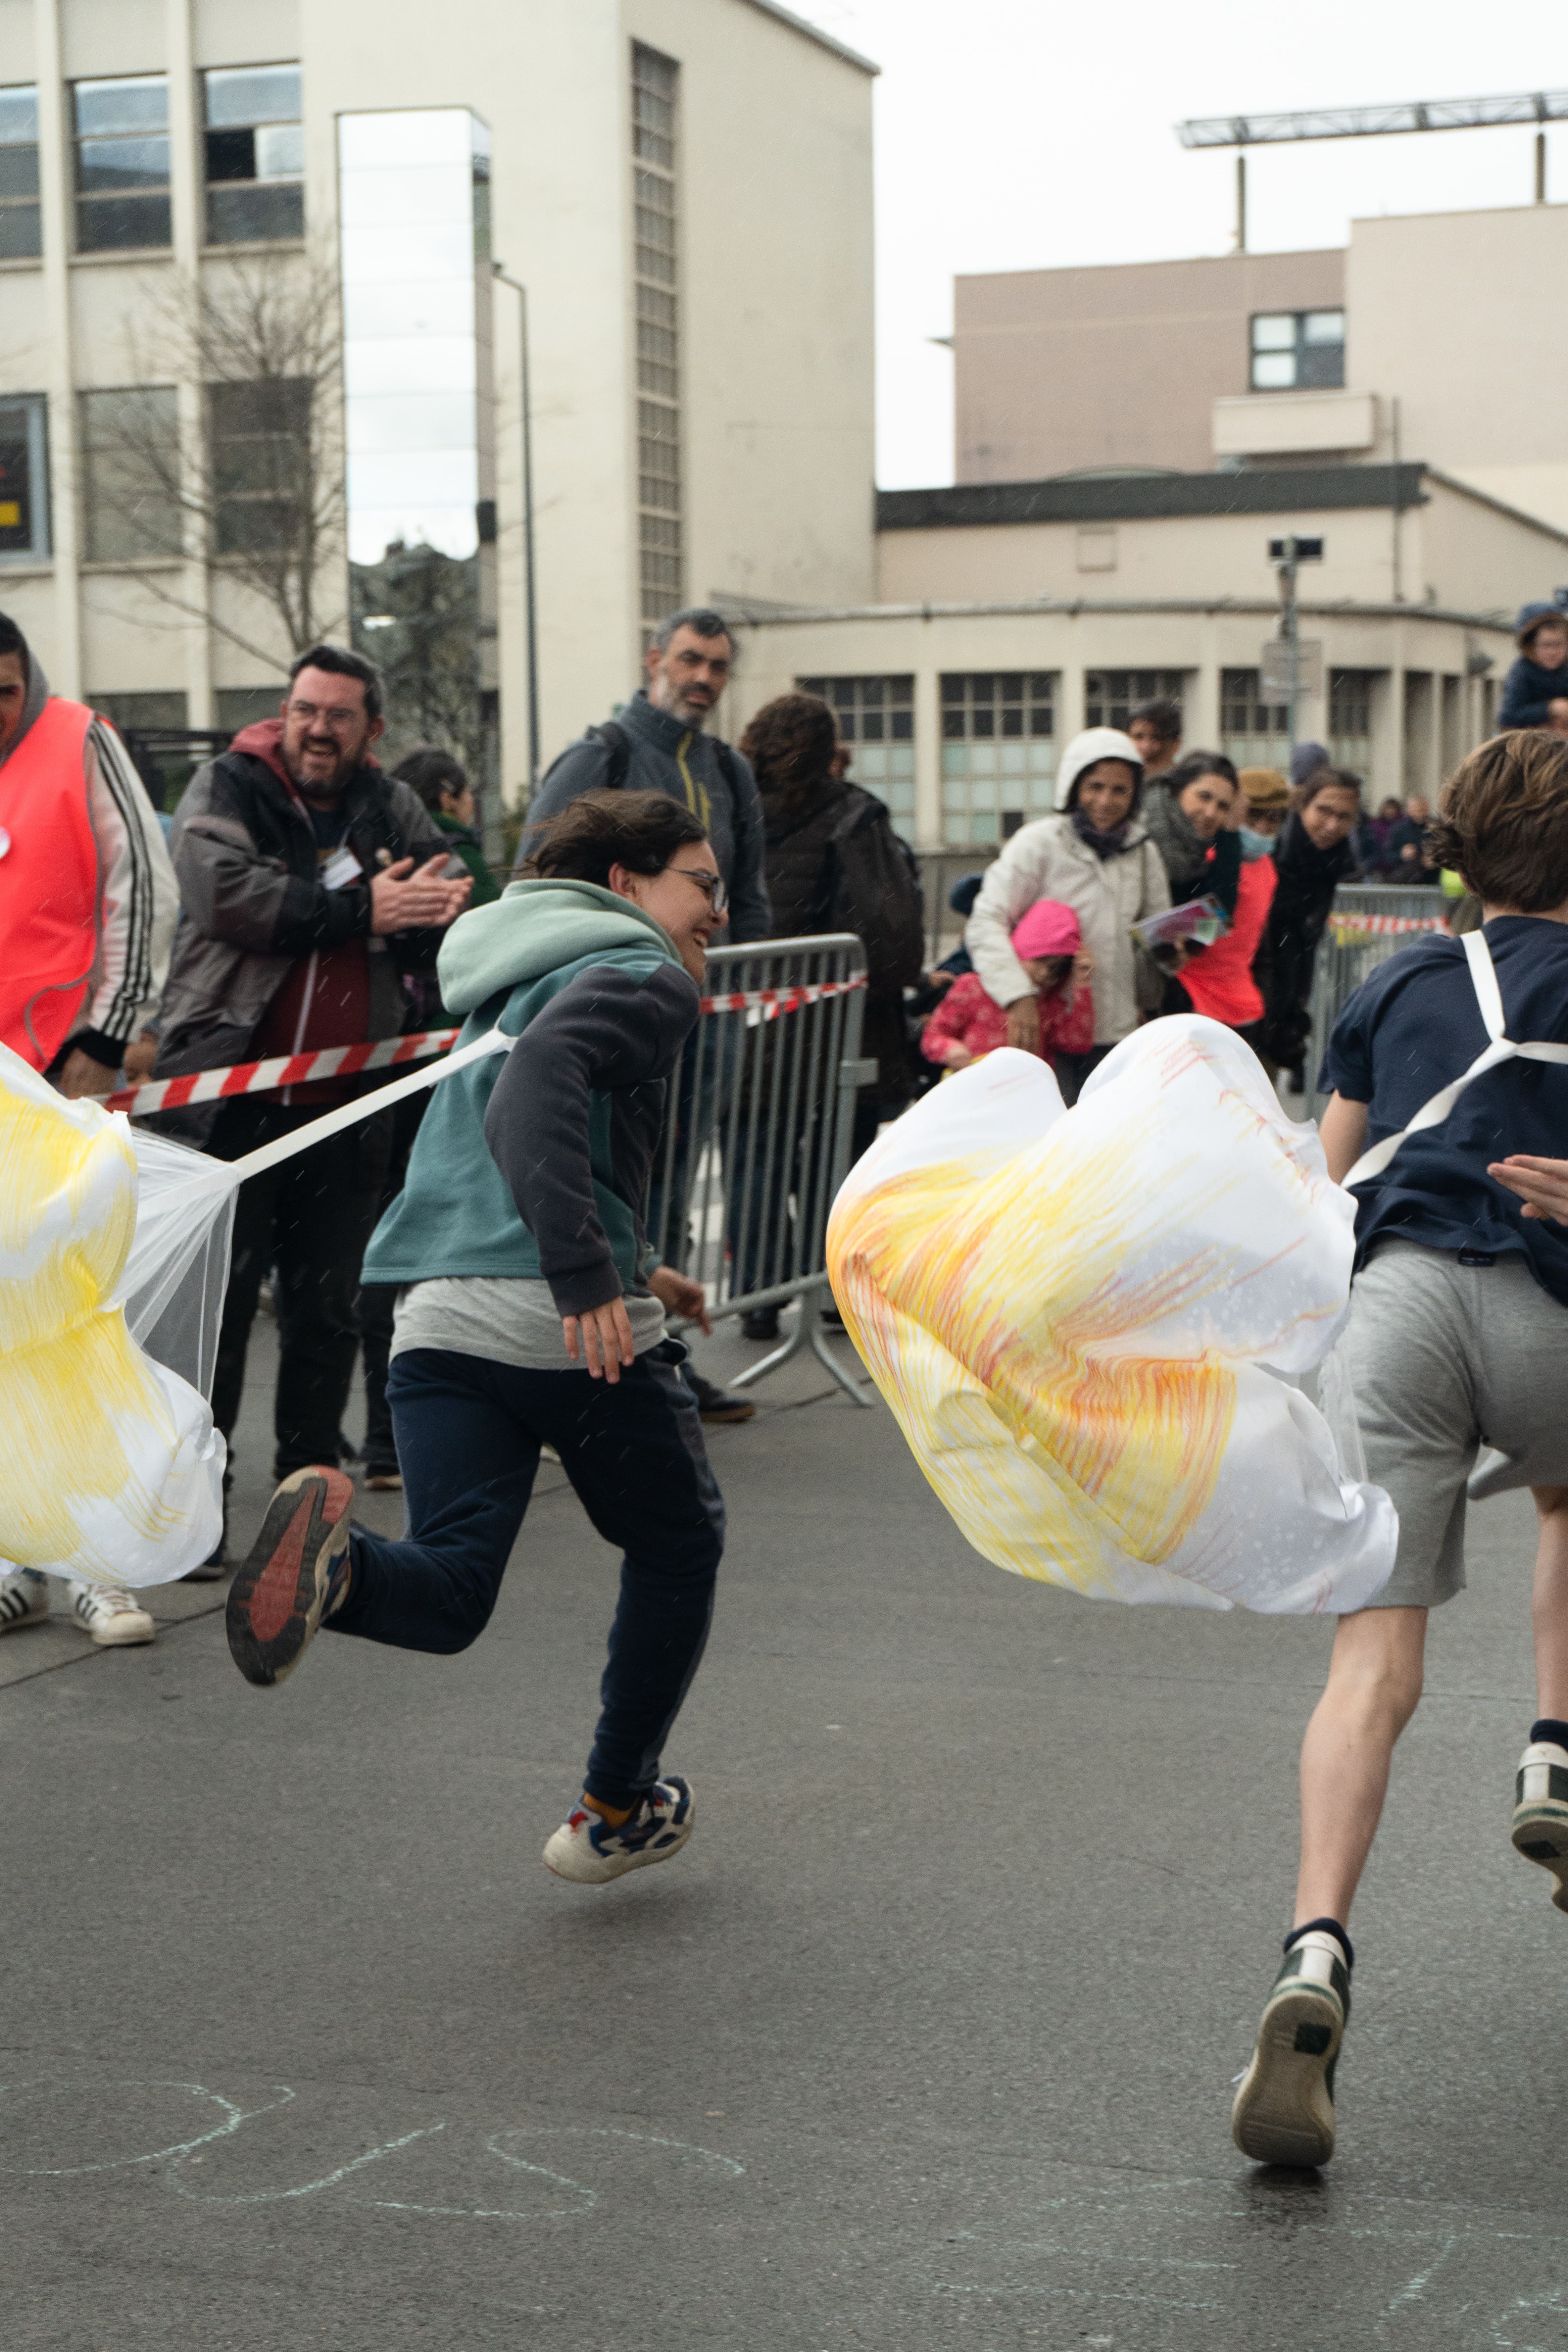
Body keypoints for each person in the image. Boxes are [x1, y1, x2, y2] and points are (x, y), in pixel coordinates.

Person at [224, 790, 726, 1887]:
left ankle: (337, 1568)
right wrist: (585, 1271)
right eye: (704, 880)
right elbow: (535, 1097)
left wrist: (635, 1260)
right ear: (627, 887)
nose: (719, 910)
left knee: (450, 1589)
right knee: (679, 1543)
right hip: (556, 1316)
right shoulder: (644, 973)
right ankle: (615, 1806)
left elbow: (534, 1118)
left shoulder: (509, 974)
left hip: (434, 1314)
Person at [1231, 729, 1568, 2168]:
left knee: (1369, 1662)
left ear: (1452, 857)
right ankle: (1553, 1752)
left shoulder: (1398, 980)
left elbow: (1327, 1185)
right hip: (1554, 1299)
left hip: (1400, 1307)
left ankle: (1314, 1947)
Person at [151, 644, 471, 1558]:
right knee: (213, 1316)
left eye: (337, 715)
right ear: (283, 713)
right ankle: (195, 1518)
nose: (316, 728)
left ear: (372, 731)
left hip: (345, 1105)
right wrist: (366, 911)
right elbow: (225, 896)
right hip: (228, 1101)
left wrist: (416, 914)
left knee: (326, 1311)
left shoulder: (389, 802)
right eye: (304, 709)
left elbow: (449, 891)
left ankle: (305, 1506)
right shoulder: (232, 784)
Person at [521, 607, 769, 1425]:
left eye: (718, 667)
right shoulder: (605, 753)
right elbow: (540, 866)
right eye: (690, 660)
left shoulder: (729, 770)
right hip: (614, 1009)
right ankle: (590, 1361)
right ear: (653, 658)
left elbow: (751, 897)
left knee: (664, 1189)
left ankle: (655, 1350)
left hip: (705, 1017)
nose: (702, 678)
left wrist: (742, 994)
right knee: (609, 1181)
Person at [0, 609, 180, 1650]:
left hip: (64, 1081)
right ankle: (21, 1544)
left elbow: (140, 886)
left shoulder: (81, 737)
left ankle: (102, 1563)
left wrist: (109, 1032)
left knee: (87, 1316)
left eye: (5, 687)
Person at [733, 691, 925, 1340]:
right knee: (843, 1156)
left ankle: (758, 1292)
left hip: (754, 1016)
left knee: (759, 1150)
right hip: (843, 1018)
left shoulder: (731, 815)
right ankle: (834, 1292)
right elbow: (889, 929)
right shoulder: (853, 815)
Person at [965, 727, 1170, 1104]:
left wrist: (1177, 950)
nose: (1105, 800)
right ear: (1073, 785)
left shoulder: (1143, 852)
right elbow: (985, 922)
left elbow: (1156, 939)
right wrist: (1017, 996)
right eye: (1095, 786)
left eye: (1120, 790)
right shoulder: (1038, 843)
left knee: (1108, 1149)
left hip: (1117, 1034)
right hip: (1048, 1031)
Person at [1252, 766, 1363, 1086]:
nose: (1331, 825)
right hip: (1245, 1005)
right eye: (1324, 811)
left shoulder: (1332, 862)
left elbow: (1303, 945)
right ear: (1302, 804)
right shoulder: (1268, 850)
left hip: (1282, 1005)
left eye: (1344, 817)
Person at [921, 898, 1093, 1073]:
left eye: (1058, 968)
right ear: (1019, 951)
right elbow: (933, 1035)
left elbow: (1078, 1043)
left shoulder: (1050, 1003)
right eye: (1040, 960)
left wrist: (1082, 984)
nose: (1045, 973)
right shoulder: (973, 988)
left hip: (1026, 1093)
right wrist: (951, 1051)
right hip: (976, 1089)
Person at [1160, 779, 1278, 1034]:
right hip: (1194, 997)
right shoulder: (1210, 860)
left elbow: (1258, 942)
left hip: (1243, 1005)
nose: (1261, 829)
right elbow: (1196, 933)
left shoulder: (1268, 868)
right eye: (1252, 819)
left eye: (1272, 821)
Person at [393, 744, 499, 909]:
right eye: (468, 792)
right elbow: (493, 911)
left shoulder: (394, 844)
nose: (472, 800)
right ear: (448, 799)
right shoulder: (461, 851)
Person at [1498, 602, 1568, 733]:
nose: (1552, 652)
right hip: (1532, 743)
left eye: (1558, 644)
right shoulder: (1522, 672)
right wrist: (1549, 709)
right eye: (1545, 645)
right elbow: (1508, 717)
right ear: (1531, 646)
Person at [1386, 792, 1439, 884]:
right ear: (1409, 810)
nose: (1419, 813)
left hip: (1433, 879)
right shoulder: (1399, 829)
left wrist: (1436, 861)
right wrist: (1402, 855)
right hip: (1407, 880)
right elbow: (1387, 855)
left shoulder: (1438, 828)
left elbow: (1448, 853)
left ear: (1427, 808)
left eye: (1422, 809)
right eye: (1416, 809)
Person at [1127, 695, 1183, 782]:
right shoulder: (1120, 787)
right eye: (1139, 737)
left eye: (1157, 738)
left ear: (1176, 744)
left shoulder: (1187, 788)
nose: (1146, 747)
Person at [1354, 794, 1407, 880]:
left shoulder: (1404, 826)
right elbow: (1366, 846)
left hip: (1398, 868)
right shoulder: (1374, 825)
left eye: (1393, 809)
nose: (1390, 812)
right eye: (1388, 809)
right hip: (1377, 867)